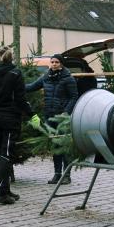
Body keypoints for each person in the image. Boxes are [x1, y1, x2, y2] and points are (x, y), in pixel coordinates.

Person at [0, 46, 35, 205]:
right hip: (10, 118)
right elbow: (20, 98)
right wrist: (32, 114)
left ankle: (5, 189)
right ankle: (1, 194)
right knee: (5, 153)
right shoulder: (15, 73)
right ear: (11, 58)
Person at [26, 53, 78, 184]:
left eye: (56, 62)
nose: (54, 64)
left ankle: (67, 175)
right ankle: (57, 174)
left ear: (61, 63)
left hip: (62, 117)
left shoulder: (68, 79)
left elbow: (73, 97)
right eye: (52, 62)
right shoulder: (46, 77)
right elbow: (32, 87)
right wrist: (17, 86)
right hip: (49, 115)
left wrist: (66, 113)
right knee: (55, 146)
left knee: (64, 145)